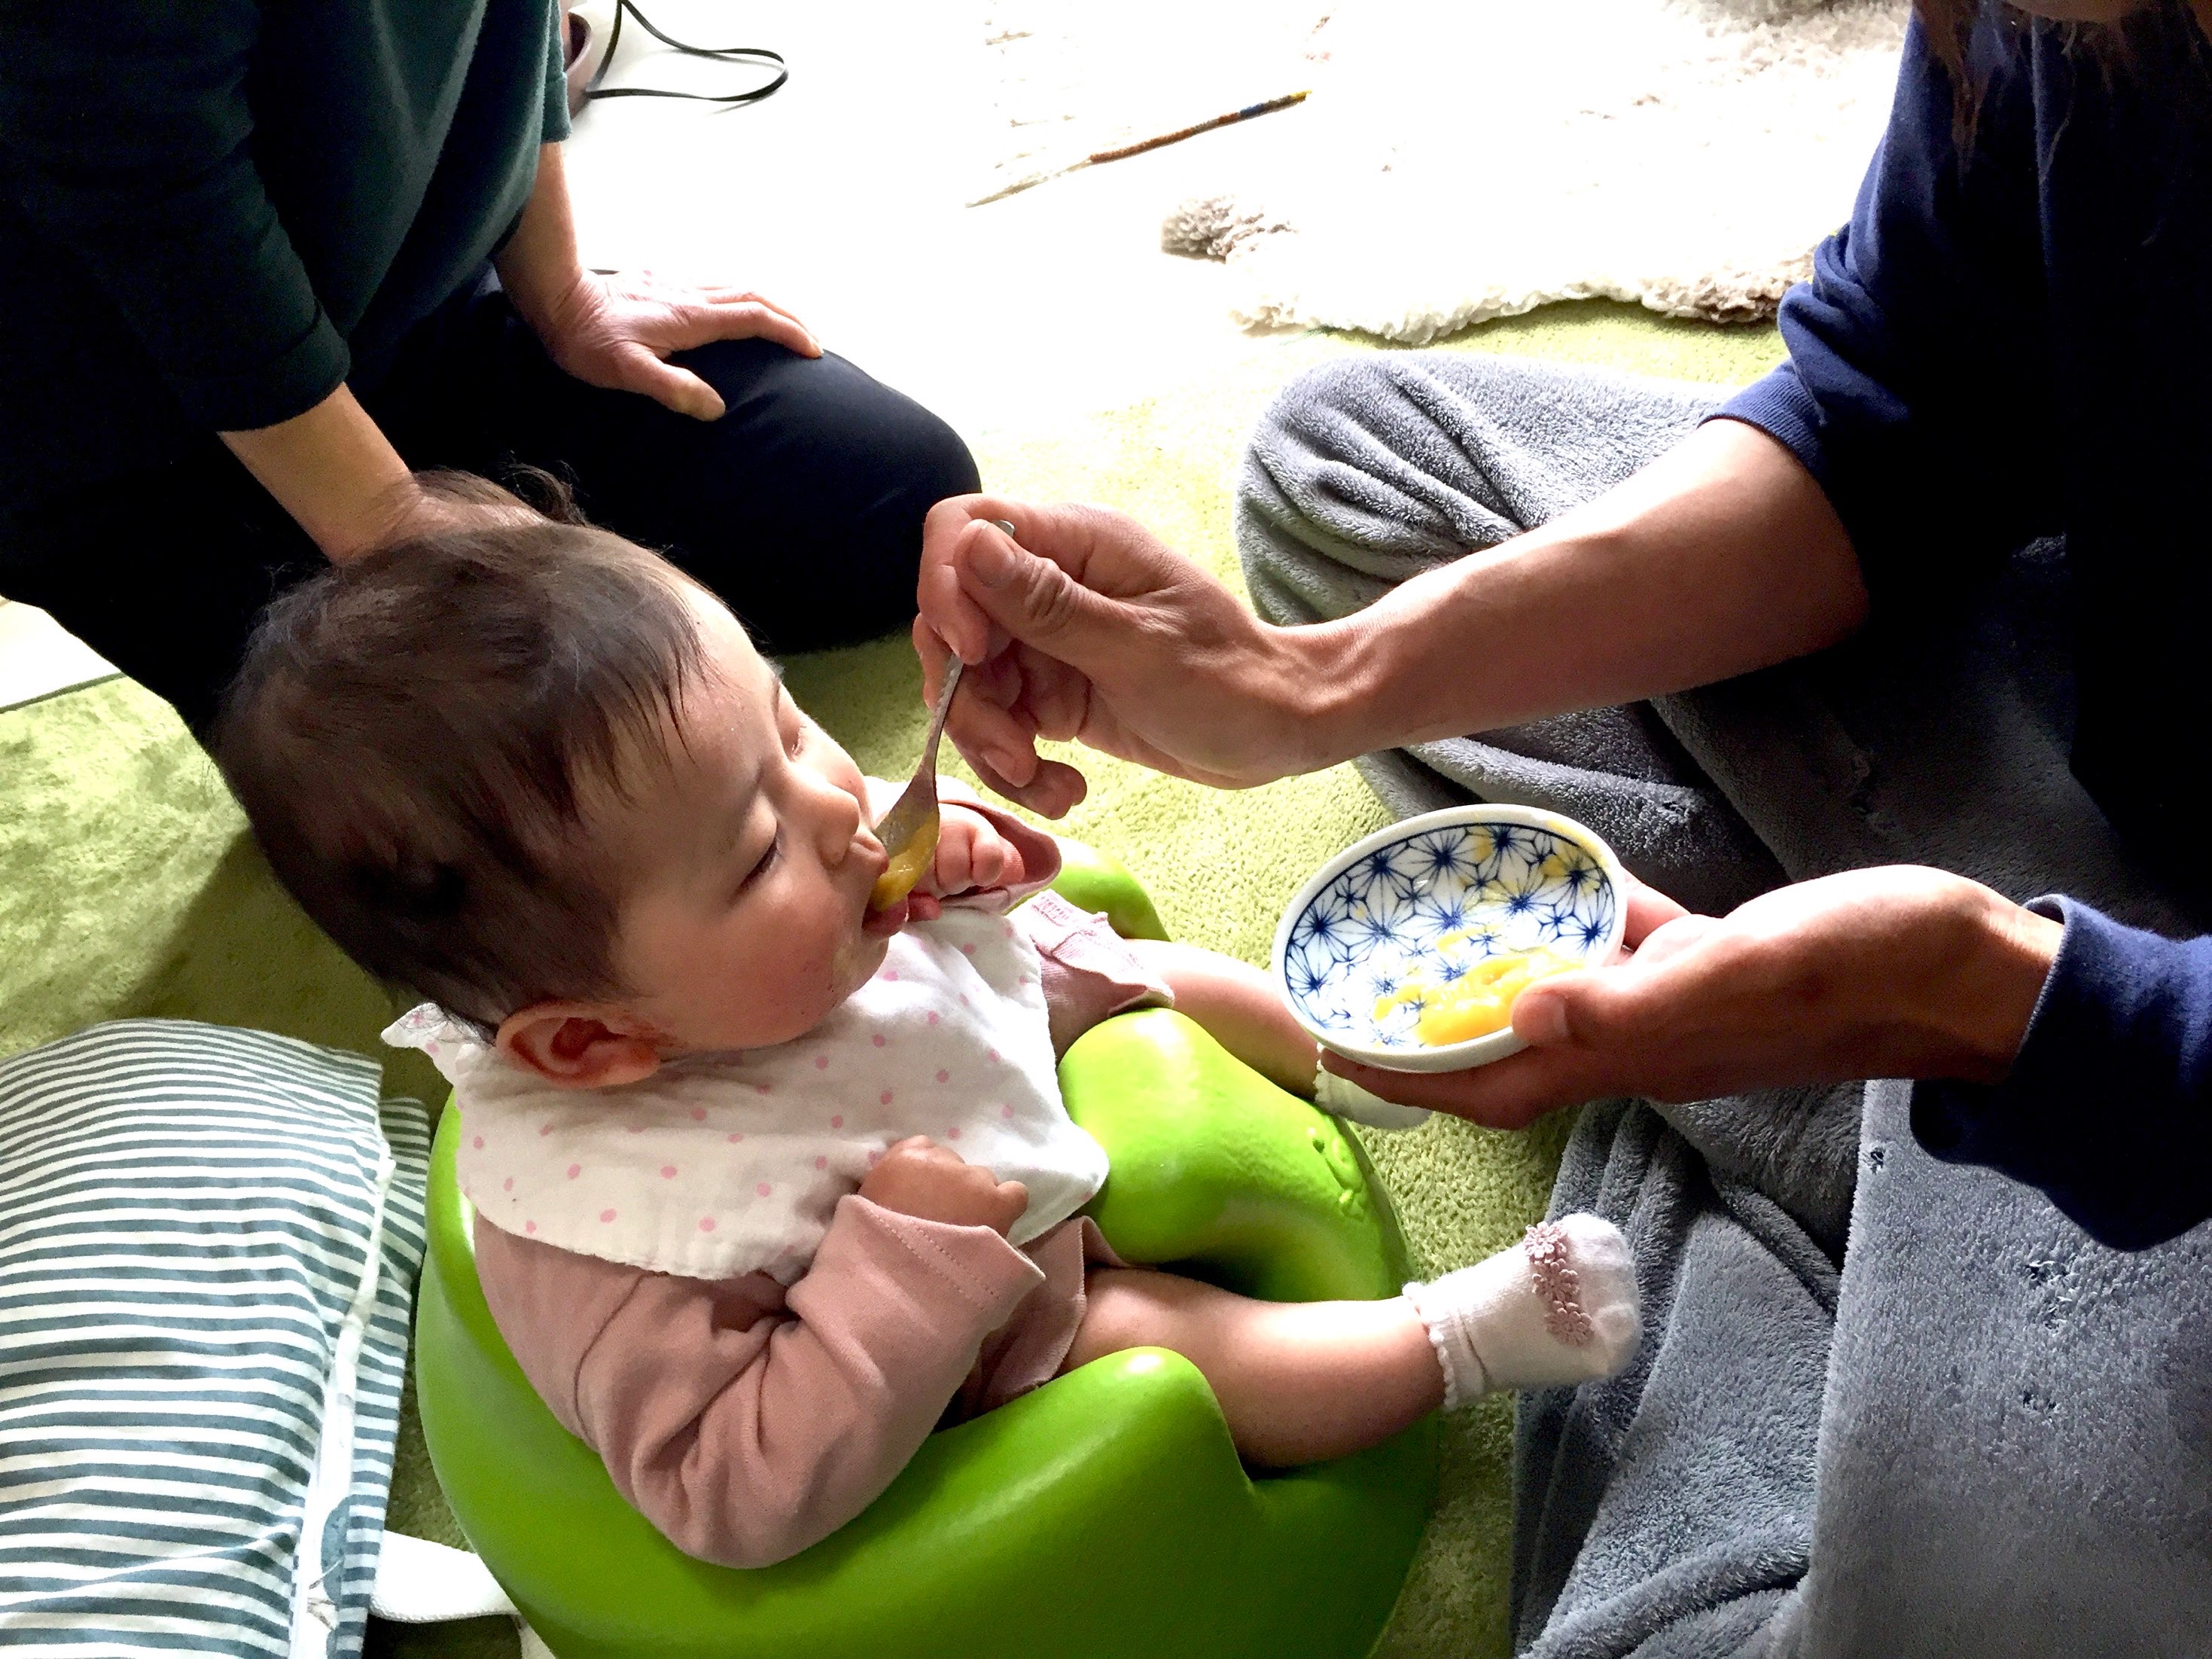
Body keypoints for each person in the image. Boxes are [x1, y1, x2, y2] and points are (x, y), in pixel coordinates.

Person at [910, 0, 2212, 1651]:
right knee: (1351, 481)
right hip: (2114, 749)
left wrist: (2004, 1007)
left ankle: (1890, 1127)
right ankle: (1898, 1132)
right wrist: (1308, 684)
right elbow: (1904, 396)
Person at [211, 482, 1644, 1569]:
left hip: (938, 1057)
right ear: (591, 1046)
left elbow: (967, 905)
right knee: (1168, 1351)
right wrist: (896, 1262)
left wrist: (962, 864)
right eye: (759, 848)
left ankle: (1369, 1057)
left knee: (1144, 968)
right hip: (974, 1317)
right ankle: (1460, 1338)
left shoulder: (762, 923)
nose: (839, 805)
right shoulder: (618, 1226)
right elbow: (726, 1493)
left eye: (784, 724)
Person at [0, 0, 974, 735]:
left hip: (411, 308)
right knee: (525, 821)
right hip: (130, 452)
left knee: (894, 502)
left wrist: (558, 294)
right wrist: (385, 526)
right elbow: (147, 191)